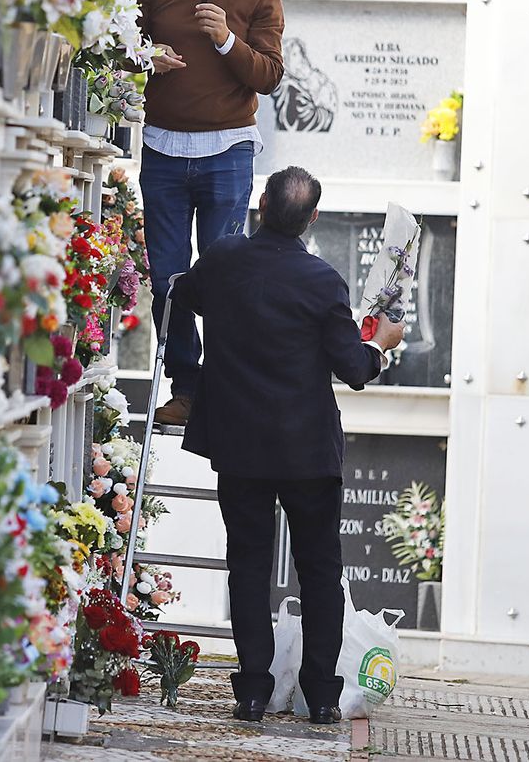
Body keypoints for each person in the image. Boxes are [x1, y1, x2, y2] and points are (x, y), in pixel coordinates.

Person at [169, 166, 404, 725]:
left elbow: (186, 295)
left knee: (247, 564)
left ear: (261, 206)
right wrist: (383, 345)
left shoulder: (223, 260)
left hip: (240, 445)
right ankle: (321, 694)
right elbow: (353, 368)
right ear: (312, 219)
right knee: (320, 570)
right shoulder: (323, 282)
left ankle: (252, 690)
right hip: (306, 452)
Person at [128, 0, 285, 427]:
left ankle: (221, 389)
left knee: (222, 277)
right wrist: (146, 56)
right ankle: (187, 389)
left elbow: (268, 76)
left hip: (228, 151)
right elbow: (118, 35)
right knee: (168, 279)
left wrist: (225, 41)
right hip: (163, 150)